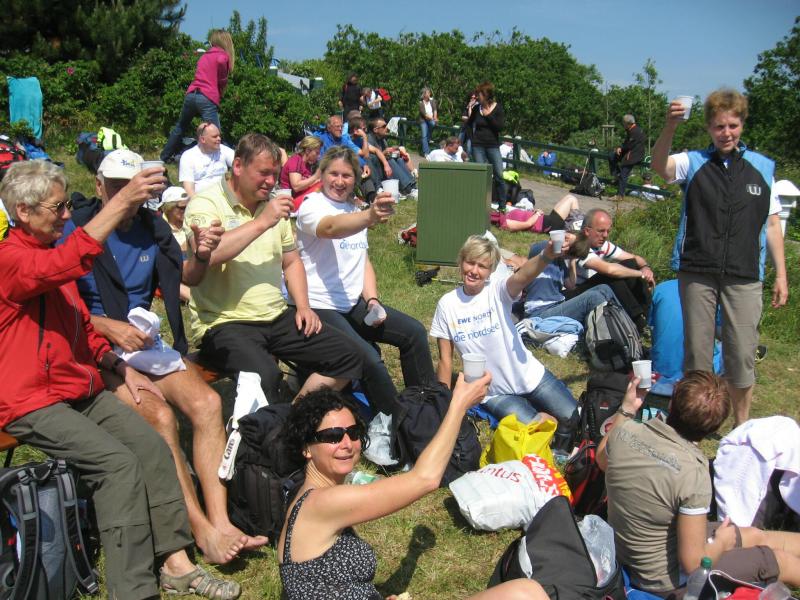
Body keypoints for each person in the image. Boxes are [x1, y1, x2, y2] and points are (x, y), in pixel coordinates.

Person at [0, 160, 240, 599]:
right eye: (58, 207)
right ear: (23, 211)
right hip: (30, 400)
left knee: (151, 447)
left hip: (76, 387)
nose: (67, 215)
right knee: (117, 466)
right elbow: (71, 259)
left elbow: (77, 324)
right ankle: (134, 590)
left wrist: (116, 364)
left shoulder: (49, 253)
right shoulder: (11, 260)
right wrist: (126, 198)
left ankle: (176, 561)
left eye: (68, 205)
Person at [62, 149, 264, 564]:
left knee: (208, 404)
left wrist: (202, 253)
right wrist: (106, 326)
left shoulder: (151, 226)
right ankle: (199, 528)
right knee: (160, 417)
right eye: (116, 186)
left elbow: (186, 277)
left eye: (132, 185)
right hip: (92, 346)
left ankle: (221, 520)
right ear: (98, 186)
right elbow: (58, 305)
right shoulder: (76, 230)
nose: (126, 194)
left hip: (142, 341)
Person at [277, 386, 550, 600]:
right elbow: (425, 478)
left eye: (353, 432)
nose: (347, 443)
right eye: (332, 436)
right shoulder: (323, 503)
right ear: (306, 447)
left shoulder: (311, 494)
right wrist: (458, 405)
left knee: (526, 592)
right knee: (526, 594)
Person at [184, 133, 365, 403]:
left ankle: (295, 416)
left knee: (349, 356)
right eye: (264, 173)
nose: (271, 181)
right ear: (238, 166)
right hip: (224, 322)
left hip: (276, 316)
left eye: (275, 174)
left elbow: (291, 261)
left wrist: (303, 307)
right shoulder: (206, 203)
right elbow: (208, 256)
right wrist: (261, 222)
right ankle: (273, 425)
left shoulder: (271, 206)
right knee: (266, 376)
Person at [651, 88, 789, 426]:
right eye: (719, 126)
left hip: (744, 274)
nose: (726, 133)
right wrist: (670, 126)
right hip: (697, 271)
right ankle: (694, 425)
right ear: (709, 128)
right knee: (697, 357)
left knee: (741, 356)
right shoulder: (694, 162)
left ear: (742, 124)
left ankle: (741, 428)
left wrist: (781, 275)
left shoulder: (762, 168)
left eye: (732, 125)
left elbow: (772, 224)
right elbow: (660, 167)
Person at [598, 371, 800, 596]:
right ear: (714, 429)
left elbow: (601, 459)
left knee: (754, 535)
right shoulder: (693, 472)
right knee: (778, 560)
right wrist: (721, 543)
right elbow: (693, 564)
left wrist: (628, 408)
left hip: (626, 552)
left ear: (672, 401)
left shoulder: (625, 431)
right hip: (663, 580)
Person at [295, 147, 435, 415]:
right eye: (333, 174)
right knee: (368, 358)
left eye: (347, 175)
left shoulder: (352, 208)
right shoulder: (312, 206)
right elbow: (330, 228)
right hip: (319, 305)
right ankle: (398, 421)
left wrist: (372, 300)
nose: (339, 181)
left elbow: (363, 261)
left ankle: (428, 405)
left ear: (355, 179)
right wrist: (370, 215)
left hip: (352, 304)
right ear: (321, 175)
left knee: (414, 332)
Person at [430, 235, 579, 450]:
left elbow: (523, 276)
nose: (474, 271)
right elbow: (445, 361)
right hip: (492, 392)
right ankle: (545, 422)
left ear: (491, 271)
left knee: (574, 416)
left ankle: (553, 423)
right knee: (534, 436)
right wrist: (443, 405)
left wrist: (546, 255)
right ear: (461, 262)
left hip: (528, 374)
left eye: (482, 266)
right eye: (470, 262)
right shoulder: (447, 305)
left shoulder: (498, 291)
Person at [565, 208, 654, 331]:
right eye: (601, 231)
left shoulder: (601, 244)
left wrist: (645, 268)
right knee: (612, 279)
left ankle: (648, 315)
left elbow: (634, 259)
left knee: (630, 264)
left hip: (591, 288)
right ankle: (640, 323)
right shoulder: (578, 244)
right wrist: (640, 274)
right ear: (587, 231)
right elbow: (609, 270)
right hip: (572, 295)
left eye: (608, 231)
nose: (605, 235)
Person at [507, 237, 617, 327]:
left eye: (568, 239)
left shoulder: (561, 263)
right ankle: (607, 338)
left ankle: (621, 327)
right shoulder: (543, 249)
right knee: (594, 297)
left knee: (604, 288)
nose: (565, 239)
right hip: (539, 313)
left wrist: (572, 262)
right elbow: (536, 249)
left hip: (556, 305)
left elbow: (571, 285)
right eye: (565, 237)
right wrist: (554, 246)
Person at [161, 30, 234, 163]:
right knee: (215, 133)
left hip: (191, 94)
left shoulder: (205, 55)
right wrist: (221, 88)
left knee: (180, 126)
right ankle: (219, 161)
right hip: (206, 97)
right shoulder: (222, 56)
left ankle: (164, 157)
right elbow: (222, 78)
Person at [315, 114, 375, 203]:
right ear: (329, 128)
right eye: (337, 126)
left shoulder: (343, 140)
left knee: (362, 170)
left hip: (344, 168)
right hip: (330, 171)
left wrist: (364, 164)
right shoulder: (322, 140)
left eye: (341, 126)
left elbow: (352, 154)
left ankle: (371, 196)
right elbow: (320, 160)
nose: (340, 129)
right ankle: (353, 198)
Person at [467, 81, 506, 202]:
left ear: (486, 94)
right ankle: (481, 201)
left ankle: (502, 204)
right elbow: (469, 124)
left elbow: (500, 127)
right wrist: (472, 139)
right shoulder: (476, 108)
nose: (477, 96)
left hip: (492, 145)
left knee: (499, 174)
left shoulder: (498, 108)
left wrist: (488, 116)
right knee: (481, 175)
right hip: (478, 146)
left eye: (479, 94)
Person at [179, 122, 235, 197]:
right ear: (203, 139)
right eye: (215, 137)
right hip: (202, 199)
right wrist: (197, 202)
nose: (219, 139)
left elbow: (241, 166)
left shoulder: (223, 150)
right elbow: (189, 189)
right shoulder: (188, 156)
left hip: (225, 196)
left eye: (219, 136)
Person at [367, 117, 417, 196]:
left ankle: (413, 186)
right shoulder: (369, 139)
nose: (386, 128)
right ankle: (408, 189)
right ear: (375, 130)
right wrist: (384, 154)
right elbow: (371, 159)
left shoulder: (382, 139)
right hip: (377, 172)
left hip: (385, 168)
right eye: (384, 126)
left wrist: (395, 152)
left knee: (399, 159)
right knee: (389, 160)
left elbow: (385, 154)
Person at [160, 185, 193, 302]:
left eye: (188, 206)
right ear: (169, 208)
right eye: (182, 208)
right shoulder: (159, 226)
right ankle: (195, 300)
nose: (186, 210)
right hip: (172, 270)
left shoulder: (191, 222)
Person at [496, 192, 580, 234]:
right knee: (571, 199)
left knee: (570, 198)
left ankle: (577, 229)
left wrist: (534, 212)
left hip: (547, 219)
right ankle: (578, 231)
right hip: (548, 225)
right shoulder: (504, 223)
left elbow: (525, 217)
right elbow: (527, 224)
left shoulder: (505, 216)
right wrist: (537, 214)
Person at [278, 135, 322, 211]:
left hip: (297, 198)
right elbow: (296, 186)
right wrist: (315, 177)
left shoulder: (307, 165)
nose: (318, 156)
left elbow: (307, 183)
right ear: (308, 151)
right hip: (289, 200)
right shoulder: (296, 161)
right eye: (317, 153)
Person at [609, 114, 646, 199]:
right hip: (630, 151)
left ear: (628, 123)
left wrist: (621, 148)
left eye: (624, 123)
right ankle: (616, 175)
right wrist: (619, 147)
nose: (623, 124)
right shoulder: (631, 129)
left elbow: (629, 145)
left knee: (624, 174)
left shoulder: (635, 131)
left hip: (634, 155)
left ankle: (620, 195)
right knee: (612, 156)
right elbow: (626, 143)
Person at [418, 86, 439, 156]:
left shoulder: (432, 101)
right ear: (424, 94)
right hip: (423, 120)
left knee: (433, 124)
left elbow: (435, 110)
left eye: (429, 93)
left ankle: (429, 137)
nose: (429, 94)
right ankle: (426, 152)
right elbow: (425, 114)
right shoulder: (421, 103)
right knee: (424, 136)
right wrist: (433, 119)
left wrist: (435, 117)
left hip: (431, 119)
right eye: (427, 93)